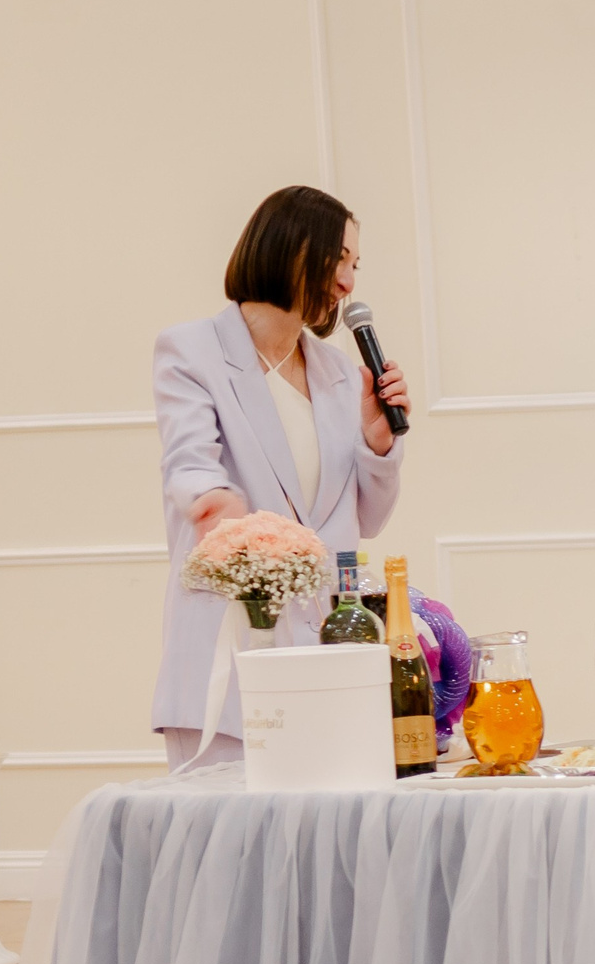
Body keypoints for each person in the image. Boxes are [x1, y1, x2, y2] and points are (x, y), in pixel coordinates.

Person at [149, 186, 412, 769]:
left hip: (327, 663)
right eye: (338, 259)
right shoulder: (192, 352)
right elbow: (189, 463)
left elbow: (366, 519)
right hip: (231, 654)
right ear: (293, 250)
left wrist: (378, 443)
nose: (348, 283)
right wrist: (214, 502)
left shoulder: (341, 372)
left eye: (354, 265)